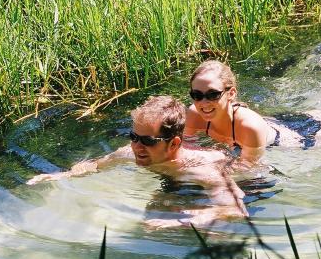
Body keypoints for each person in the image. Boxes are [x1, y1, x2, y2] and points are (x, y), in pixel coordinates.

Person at [27, 95, 248, 227]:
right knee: (152, 217)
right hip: (175, 180)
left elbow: (236, 210)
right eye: (134, 137)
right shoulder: (130, 152)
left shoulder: (204, 171)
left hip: (247, 180)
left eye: (148, 141)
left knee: (217, 233)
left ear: (174, 143)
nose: (137, 147)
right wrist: (62, 175)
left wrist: (182, 221)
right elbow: (98, 163)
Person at [185, 60, 321, 162]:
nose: (203, 102)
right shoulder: (193, 115)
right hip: (272, 123)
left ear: (231, 93)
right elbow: (185, 150)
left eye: (212, 94)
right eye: (196, 95)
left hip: (298, 136)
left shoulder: (250, 127)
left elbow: (246, 167)